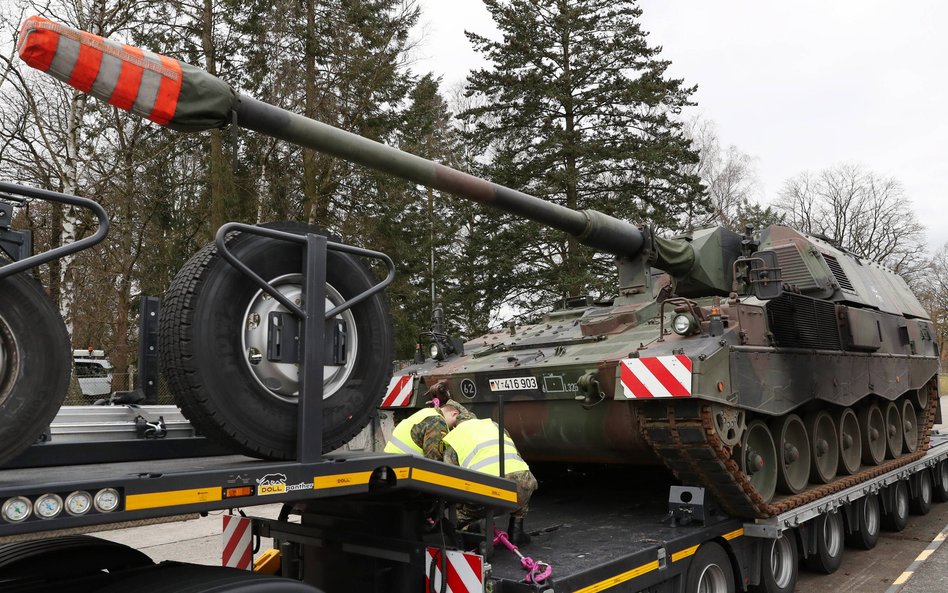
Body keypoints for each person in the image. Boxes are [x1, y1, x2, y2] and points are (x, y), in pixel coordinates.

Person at [442, 410, 538, 546]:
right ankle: (516, 532)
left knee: (455, 518)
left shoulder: (454, 436)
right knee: (520, 488)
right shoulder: (494, 426)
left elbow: (451, 475)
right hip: (523, 481)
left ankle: (474, 526)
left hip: (486, 490)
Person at [383, 399, 463, 460]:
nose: (454, 427)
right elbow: (434, 459)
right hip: (403, 466)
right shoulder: (437, 422)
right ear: (454, 414)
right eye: (456, 423)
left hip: (391, 460)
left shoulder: (426, 412)